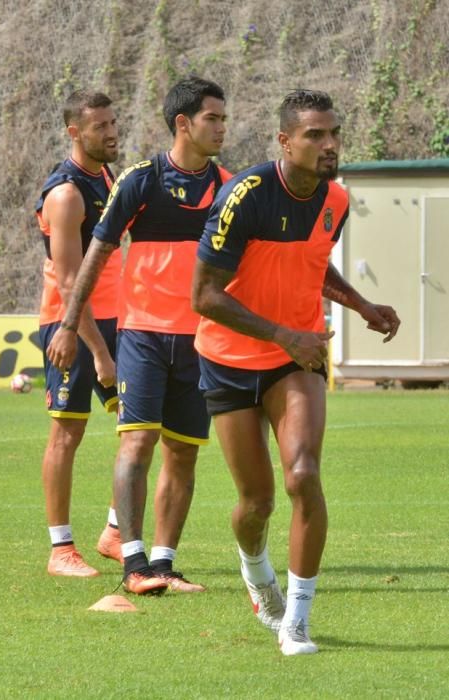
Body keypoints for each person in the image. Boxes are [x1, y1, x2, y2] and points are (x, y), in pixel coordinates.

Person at [191, 88, 400, 655]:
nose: (329, 144)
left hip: (297, 357)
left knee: (303, 475)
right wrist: (283, 332)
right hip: (229, 358)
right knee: (255, 503)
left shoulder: (335, 199)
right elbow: (204, 296)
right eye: (315, 135)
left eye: (333, 133)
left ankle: (297, 621)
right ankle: (256, 569)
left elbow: (313, 264)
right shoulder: (245, 195)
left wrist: (361, 305)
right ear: (285, 141)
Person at [47, 77, 231, 595]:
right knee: (137, 443)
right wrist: (68, 324)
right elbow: (95, 256)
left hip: (201, 341)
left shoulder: (229, 186)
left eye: (223, 118)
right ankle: (133, 563)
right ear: (183, 124)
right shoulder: (140, 180)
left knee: (185, 451)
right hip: (143, 337)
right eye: (212, 118)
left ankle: (166, 563)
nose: (222, 127)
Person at [37, 89, 121, 577]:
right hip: (72, 327)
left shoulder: (107, 176)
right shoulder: (66, 193)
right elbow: (69, 280)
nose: (112, 132)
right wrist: (98, 351)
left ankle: (114, 532)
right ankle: (60, 550)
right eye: (101, 127)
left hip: (116, 319)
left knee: (142, 426)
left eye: (114, 123)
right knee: (68, 431)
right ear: (75, 132)